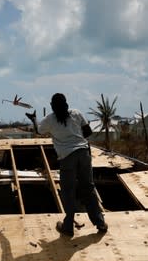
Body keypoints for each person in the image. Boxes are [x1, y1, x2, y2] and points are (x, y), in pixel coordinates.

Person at [39, 93, 107, 237]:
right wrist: (75, 135)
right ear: (66, 104)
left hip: (67, 157)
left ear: (52, 106)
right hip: (83, 153)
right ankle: (100, 222)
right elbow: (88, 131)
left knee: (68, 192)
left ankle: (68, 226)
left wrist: (34, 120)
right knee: (88, 188)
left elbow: (39, 131)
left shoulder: (49, 119)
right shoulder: (76, 113)